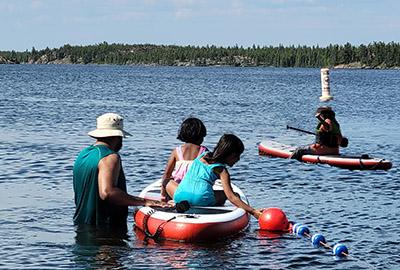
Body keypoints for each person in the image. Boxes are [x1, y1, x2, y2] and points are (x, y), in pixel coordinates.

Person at [73, 113, 169, 226]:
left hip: (81, 223)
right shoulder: (110, 157)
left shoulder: (83, 154)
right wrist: (145, 201)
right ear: (117, 137)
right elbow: (107, 192)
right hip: (105, 228)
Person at [164, 133, 263, 219]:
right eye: (237, 156)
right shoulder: (222, 170)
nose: (238, 159)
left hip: (180, 196)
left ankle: (174, 203)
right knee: (226, 194)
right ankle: (194, 203)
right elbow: (231, 197)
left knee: (167, 182)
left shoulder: (202, 156)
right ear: (231, 155)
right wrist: (253, 211)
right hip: (202, 199)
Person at [161, 117, 208, 202]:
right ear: (201, 136)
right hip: (197, 191)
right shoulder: (204, 152)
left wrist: (163, 194)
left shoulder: (176, 151)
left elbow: (166, 175)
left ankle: (171, 199)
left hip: (179, 191)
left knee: (167, 181)